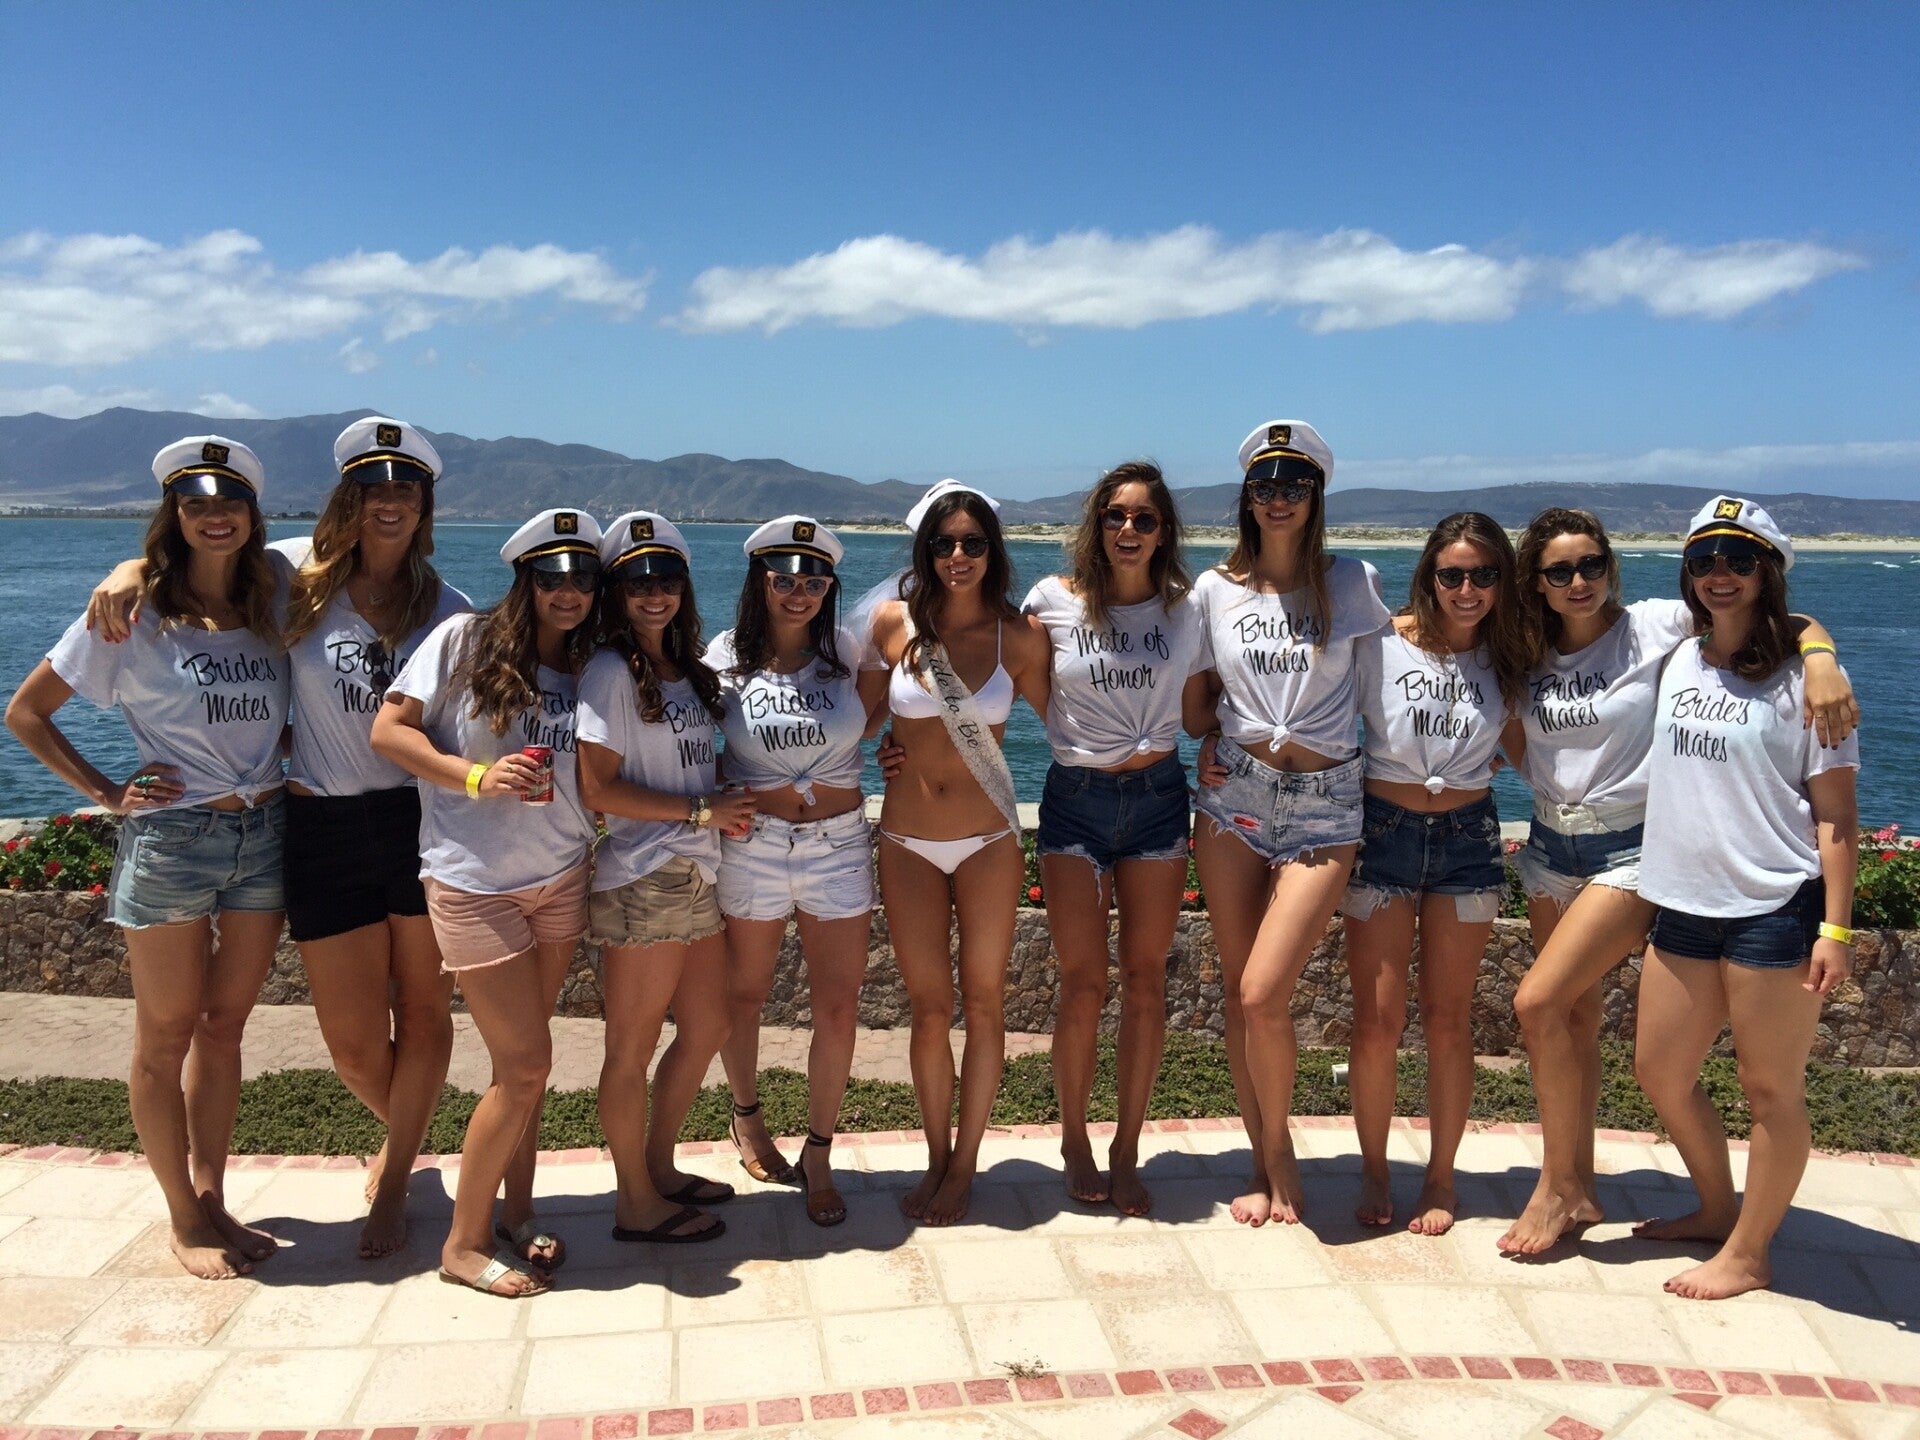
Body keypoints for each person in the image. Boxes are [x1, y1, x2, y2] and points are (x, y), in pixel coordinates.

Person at [84, 417, 474, 1259]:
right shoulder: (291, 576)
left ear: (425, 504)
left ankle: (396, 1179)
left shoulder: (449, 609)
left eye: (406, 489)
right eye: (371, 488)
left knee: (424, 1012)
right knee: (355, 1046)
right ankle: (440, 1143)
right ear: (347, 498)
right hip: (321, 824)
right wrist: (128, 570)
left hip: (417, 823)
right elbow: (200, 556)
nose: (389, 502)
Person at [1496, 507, 1855, 1255]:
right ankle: (1584, 1187)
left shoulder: (1658, 628)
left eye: (1592, 564)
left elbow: (1772, 621)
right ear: (1537, 581)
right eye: (1559, 570)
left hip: (1633, 855)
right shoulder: (1532, 648)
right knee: (1576, 1023)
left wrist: (1821, 654)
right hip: (1554, 849)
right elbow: (1484, 684)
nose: (1578, 580)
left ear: (1612, 566)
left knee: (1537, 1002)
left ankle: (1557, 1187)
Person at [7, 436, 289, 1280]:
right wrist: (104, 791)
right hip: (173, 842)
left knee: (224, 1028)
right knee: (164, 1035)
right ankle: (182, 1217)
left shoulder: (272, 596)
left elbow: (351, 550)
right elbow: (27, 712)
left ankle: (213, 1195)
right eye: (196, 503)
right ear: (174, 514)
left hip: (264, 833)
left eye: (230, 502)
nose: (214, 516)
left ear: (253, 515)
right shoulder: (129, 615)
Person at [1630, 498, 1859, 1299]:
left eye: (1738, 560)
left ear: (1769, 572)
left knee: (1769, 1090)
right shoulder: (1679, 657)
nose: (1718, 575)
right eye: (1703, 561)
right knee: (1659, 1071)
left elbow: (1837, 817)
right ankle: (1716, 1207)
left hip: (1774, 909)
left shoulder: (1812, 685)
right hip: (1683, 904)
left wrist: (1836, 929)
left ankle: (1750, 1252)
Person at [370, 508, 602, 1298]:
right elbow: (389, 733)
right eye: (552, 575)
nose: (569, 591)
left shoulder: (587, 661)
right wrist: (476, 776)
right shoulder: (463, 641)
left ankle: (519, 1213)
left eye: (583, 576)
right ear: (525, 579)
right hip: (473, 883)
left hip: (560, 877)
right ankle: (463, 1245)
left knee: (521, 1064)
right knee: (529, 1064)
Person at [1188, 421, 1391, 1226]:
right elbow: (1196, 705)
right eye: (1265, 484)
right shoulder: (1213, 591)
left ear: (1316, 497)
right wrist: (1208, 739)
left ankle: (1280, 1157)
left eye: (1294, 484)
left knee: (1262, 990)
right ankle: (1264, 1159)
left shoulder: (1353, 582)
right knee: (1243, 1000)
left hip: (1326, 805)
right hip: (1234, 798)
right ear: (1247, 497)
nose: (1278, 498)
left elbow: (1387, 682)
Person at [864, 480, 1051, 1224]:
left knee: (983, 1002)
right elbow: (855, 718)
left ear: (992, 550)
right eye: (943, 544)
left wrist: (1202, 743)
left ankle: (966, 1162)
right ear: (925, 551)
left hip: (988, 843)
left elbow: (1079, 724)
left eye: (973, 542)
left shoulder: (1021, 637)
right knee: (929, 1008)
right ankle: (936, 1155)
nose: (958, 555)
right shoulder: (892, 623)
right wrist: (882, 750)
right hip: (906, 842)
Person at [1021, 463, 1205, 1215]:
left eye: (1144, 519)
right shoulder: (1051, 602)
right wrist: (907, 744)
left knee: (1146, 980)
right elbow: (1001, 680)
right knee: (1083, 983)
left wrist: (1222, 746)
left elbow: (1209, 702)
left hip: (1159, 798)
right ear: (1096, 526)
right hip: (1076, 800)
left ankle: (1127, 1147)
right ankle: (1074, 1139)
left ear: (1164, 532)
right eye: (1115, 516)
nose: (1129, 529)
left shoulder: (1188, 610)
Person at [1341, 513, 1531, 1235]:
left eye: (1484, 575)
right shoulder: (1380, 643)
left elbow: (1544, 742)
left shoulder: (1511, 656)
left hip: (1467, 839)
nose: (1467, 589)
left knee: (1449, 1020)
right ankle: (1375, 1167)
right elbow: (1313, 702)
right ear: (1430, 575)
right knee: (1377, 1022)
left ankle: (1441, 1175)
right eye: (1453, 574)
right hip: (1382, 833)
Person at [574, 512, 755, 1244]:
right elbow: (598, 787)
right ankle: (633, 1202)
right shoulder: (610, 671)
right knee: (631, 1048)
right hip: (643, 874)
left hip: (693, 871)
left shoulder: (685, 669)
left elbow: (687, 764)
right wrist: (701, 810)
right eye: (637, 582)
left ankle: (657, 1167)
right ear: (616, 593)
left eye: (667, 578)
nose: (655, 594)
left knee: (710, 1024)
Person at [708, 517, 888, 1227]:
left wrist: (902, 752)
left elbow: (889, 711)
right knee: (745, 995)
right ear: (760, 581)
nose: (799, 592)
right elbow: (683, 737)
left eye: (814, 581)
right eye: (784, 578)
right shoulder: (723, 657)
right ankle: (747, 1117)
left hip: (838, 845)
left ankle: (819, 1149)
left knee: (837, 1005)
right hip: (752, 843)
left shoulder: (848, 651)